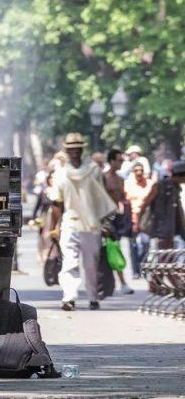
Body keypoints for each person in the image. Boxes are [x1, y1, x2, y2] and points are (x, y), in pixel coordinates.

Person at [48, 133, 116, 311]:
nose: (75, 152)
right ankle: (69, 297)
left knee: (91, 264)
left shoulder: (94, 170)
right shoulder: (61, 173)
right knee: (69, 262)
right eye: (71, 149)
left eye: (78, 149)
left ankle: (93, 296)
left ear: (82, 149)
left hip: (91, 224)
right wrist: (53, 228)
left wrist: (105, 223)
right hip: (70, 222)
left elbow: (101, 197)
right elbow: (57, 202)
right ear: (67, 151)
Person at [102, 149, 134, 294]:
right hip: (104, 218)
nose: (121, 163)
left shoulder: (120, 179)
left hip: (117, 217)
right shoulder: (103, 178)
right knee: (110, 250)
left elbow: (122, 199)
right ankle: (117, 282)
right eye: (119, 160)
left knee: (114, 249)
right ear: (111, 161)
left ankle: (117, 283)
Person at [139, 160, 185, 249]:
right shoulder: (159, 186)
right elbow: (145, 204)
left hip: (173, 232)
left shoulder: (176, 188)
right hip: (160, 232)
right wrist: (139, 223)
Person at [124, 162, 155, 278]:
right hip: (132, 216)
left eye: (141, 170)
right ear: (133, 172)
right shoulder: (127, 184)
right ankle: (135, 271)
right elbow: (125, 202)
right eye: (136, 170)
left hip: (146, 218)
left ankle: (144, 268)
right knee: (133, 245)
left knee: (146, 243)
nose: (139, 173)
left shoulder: (149, 184)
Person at [29, 170, 55, 264]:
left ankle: (51, 255)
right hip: (45, 217)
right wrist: (33, 218)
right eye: (51, 178)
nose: (52, 180)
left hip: (55, 217)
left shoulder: (59, 191)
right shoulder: (43, 192)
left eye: (54, 178)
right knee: (43, 236)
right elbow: (37, 206)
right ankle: (43, 254)